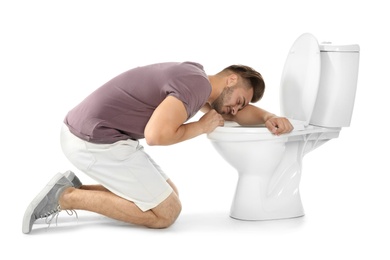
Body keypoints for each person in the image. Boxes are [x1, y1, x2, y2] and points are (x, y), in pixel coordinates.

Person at [22, 61, 293, 234]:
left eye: (240, 106)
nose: (235, 108)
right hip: (91, 140)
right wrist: (201, 127)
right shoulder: (194, 86)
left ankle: (74, 189)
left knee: (169, 194)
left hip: (99, 134)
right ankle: (65, 196)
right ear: (232, 79)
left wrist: (268, 117)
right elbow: (155, 135)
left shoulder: (196, 78)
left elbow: (233, 115)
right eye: (240, 100)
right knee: (165, 213)